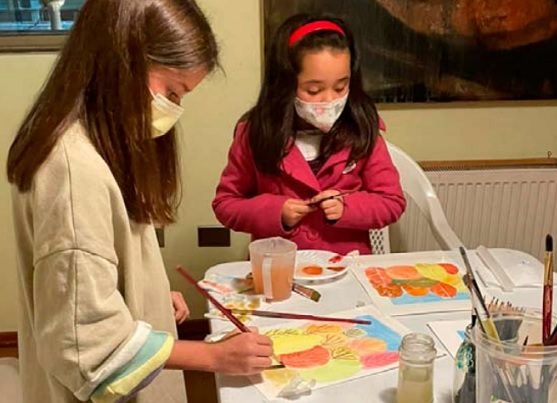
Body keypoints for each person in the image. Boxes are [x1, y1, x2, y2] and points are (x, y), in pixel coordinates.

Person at [6, 1, 273, 402]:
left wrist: (145, 296)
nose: (173, 110)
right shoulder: (74, 170)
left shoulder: (91, 142)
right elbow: (87, 347)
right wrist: (213, 356)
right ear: (121, 61)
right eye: (172, 92)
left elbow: (82, 282)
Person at [213, 14, 406, 255]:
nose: (329, 99)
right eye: (313, 90)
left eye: (340, 87)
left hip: (347, 265)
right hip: (280, 266)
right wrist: (276, 211)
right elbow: (226, 204)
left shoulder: (362, 128)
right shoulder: (256, 133)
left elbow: (391, 202)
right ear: (285, 85)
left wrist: (346, 207)